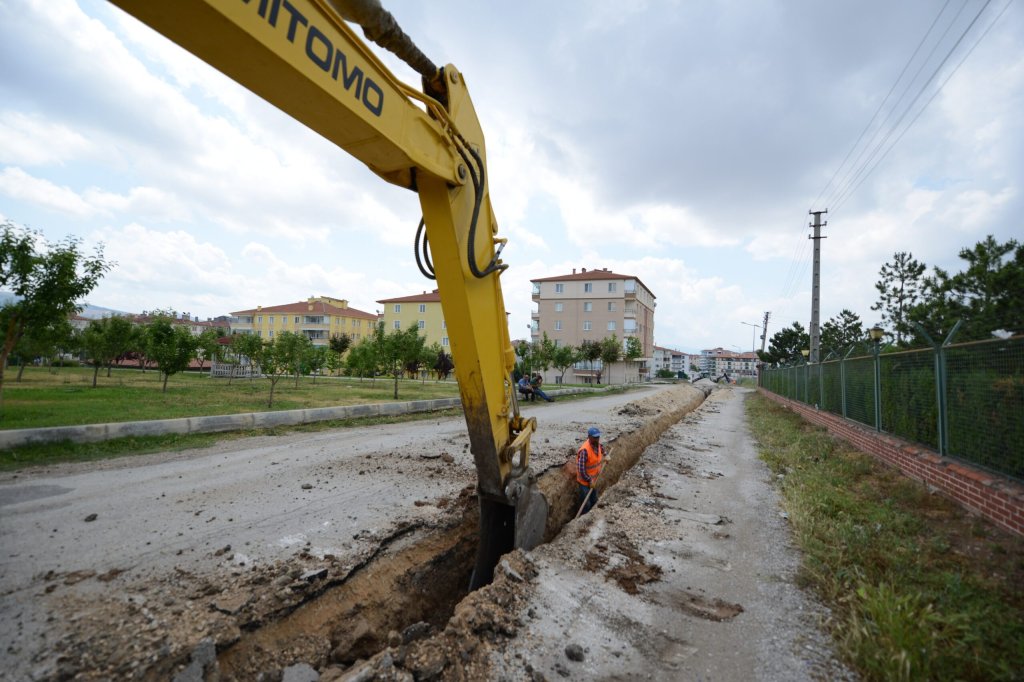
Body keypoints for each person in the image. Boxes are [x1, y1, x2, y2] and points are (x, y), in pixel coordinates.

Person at [576, 426, 606, 515]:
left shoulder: (598, 445)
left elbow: (602, 449)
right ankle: (583, 519)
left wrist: (606, 455)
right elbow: (581, 469)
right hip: (584, 482)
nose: (597, 439)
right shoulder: (585, 450)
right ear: (589, 437)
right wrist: (589, 480)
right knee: (586, 504)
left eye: (598, 437)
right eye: (595, 437)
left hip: (594, 479)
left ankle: (593, 516)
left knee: (594, 500)